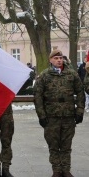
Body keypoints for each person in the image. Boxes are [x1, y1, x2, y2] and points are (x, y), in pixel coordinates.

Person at [33, 49, 85, 177]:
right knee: (53, 144)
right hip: (51, 116)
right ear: (50, 60)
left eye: (61, 58)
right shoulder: (44, 75)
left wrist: (79, 111)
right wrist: (41, 115)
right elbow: (38, 96)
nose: (59, 60)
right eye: (56, 58)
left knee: (67, 145)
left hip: (68, 115)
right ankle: (56, 170)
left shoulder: (72, 74)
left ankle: (66, 170)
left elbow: (80, 92)